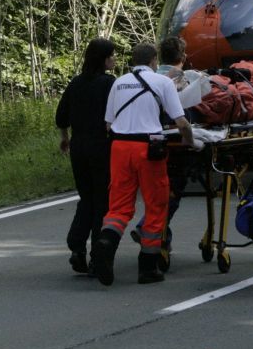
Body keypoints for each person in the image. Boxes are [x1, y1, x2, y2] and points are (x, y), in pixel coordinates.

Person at [95, 43, 194, 286]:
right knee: (156, 204)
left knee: (119, 206)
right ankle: (148, 267)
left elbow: (108, 123)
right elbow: (181, 122)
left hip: (119, 147)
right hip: (149, 148)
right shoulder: (163, 82)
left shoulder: (119, 82)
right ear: (154, 61)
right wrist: (190, 141)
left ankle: (106, 243)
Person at [55, 38, 116, 275]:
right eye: (111, 55)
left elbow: (61, 116)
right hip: (102, 146)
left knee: (86, 197)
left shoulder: (76, 83)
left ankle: (77, 246)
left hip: (78, 146)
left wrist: (65, 138)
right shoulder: (109, 84)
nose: (114, 59)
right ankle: (97, 254)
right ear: (103, 59)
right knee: (102, 200)